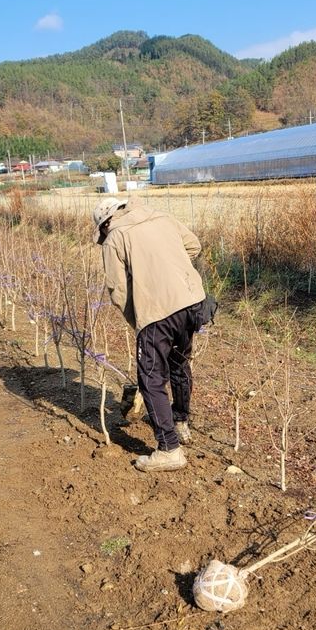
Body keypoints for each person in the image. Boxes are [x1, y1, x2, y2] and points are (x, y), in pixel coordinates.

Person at [94, 195, 206, 472]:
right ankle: (180, 421)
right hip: (192, 303)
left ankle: (169, 449)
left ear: (106, 223)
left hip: (158, 311)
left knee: (151, 379)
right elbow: (194, 246)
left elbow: (118, 290)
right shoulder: (161, 216)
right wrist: (173, 271)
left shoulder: (114, 239)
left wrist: (139, 320)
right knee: (179, 363)